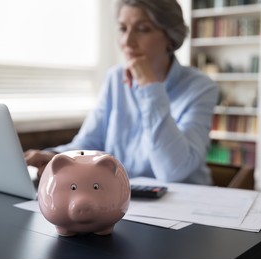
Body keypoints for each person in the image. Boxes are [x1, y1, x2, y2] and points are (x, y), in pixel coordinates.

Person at [24, 0, 218, 185]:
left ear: (170, 36)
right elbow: (91, 141)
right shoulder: (115, 78)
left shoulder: (200, 87)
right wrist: (56, 156)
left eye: (143, 29)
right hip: (124, 198)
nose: (127, 41)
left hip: (184, 205)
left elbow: (172, 171)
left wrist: (150, 87)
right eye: (123, 29)